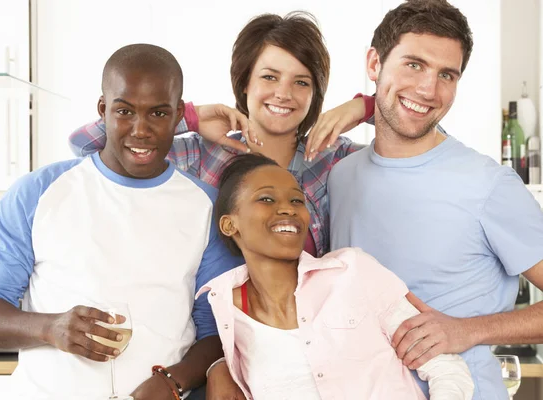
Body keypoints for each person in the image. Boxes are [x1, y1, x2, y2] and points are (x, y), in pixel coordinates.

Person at [0, 44, 241, 400]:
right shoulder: (38, 192)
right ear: (103, 109)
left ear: (177, 117)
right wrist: (51, 328)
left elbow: (218, 332)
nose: (140, 130)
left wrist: (172, 380)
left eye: (158, 113)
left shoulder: (207, 206)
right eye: (125, 111)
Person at [328, 1, 543, 399]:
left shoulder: (488, 185)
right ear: (374, 63)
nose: (429, 89)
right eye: (414, 64)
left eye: (447, 74)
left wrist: (467, 329)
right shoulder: (341, 177)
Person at [68, 11, 376, 259]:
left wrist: (363, 107)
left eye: (301, 82)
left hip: (305, 326)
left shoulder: (334, 158)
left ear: (315, 93)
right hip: (209, 325)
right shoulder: (203, 154)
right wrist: (188, 116)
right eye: (269, 77)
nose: (284, 94)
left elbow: (410, 145)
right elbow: (86, 145)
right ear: (245, 83)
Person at [197, 153, 474, 399]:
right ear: (229, 224)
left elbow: (446, 369)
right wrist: (214, 367)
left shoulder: (353, 271)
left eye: (297, 199)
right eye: (266, 199)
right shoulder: (225, 309)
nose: (288, 208)